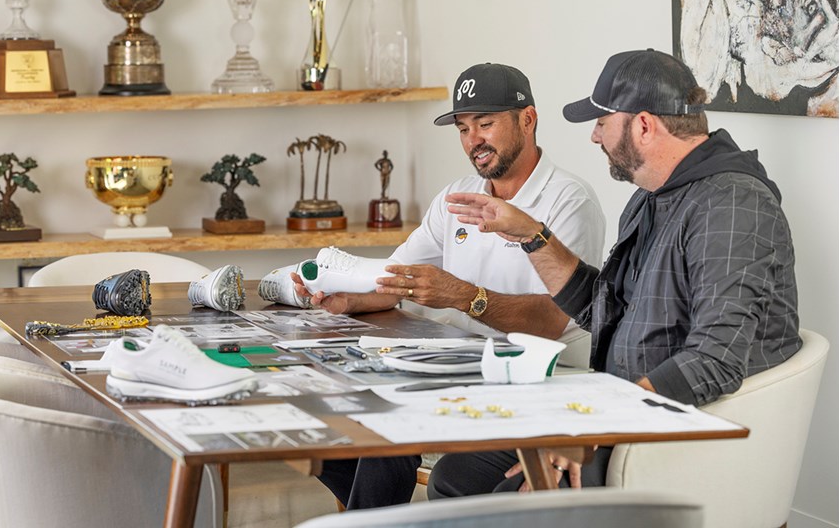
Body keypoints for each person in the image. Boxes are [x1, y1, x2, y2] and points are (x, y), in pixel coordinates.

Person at [433, 48, 801, 497]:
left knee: (510, 502)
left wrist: (598, 425)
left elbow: (716, 359)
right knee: (455, 475)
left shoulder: (732, 204)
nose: (594, 136)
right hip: (621, 411)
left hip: (669, 433)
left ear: (643, 125)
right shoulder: (651, 197)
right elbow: (604, 308)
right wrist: (532, 234)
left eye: (602, 122)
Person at [294, 62, 606, 509]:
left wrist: (462, 296)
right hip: (460, 371)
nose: (473, 139)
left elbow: (552, 321)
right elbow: (399, 275)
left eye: (485, 123)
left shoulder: (569, 201)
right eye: (463, 128)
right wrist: (347, 299)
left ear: (528, 120)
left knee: (385, 434)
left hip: (537, 381)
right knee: (333, 427)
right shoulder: (457, 196)